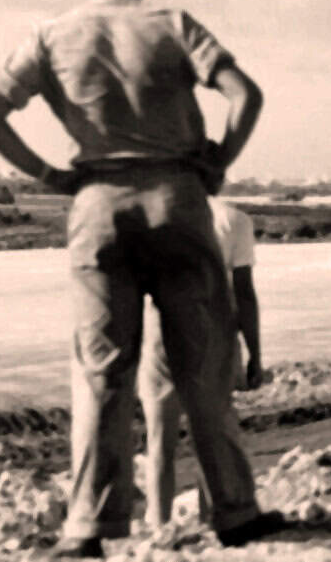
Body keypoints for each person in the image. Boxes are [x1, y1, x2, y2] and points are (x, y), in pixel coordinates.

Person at [0, 0, 281, 557]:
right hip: (178, 201)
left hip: (98, 207)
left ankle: (89, 530)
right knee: (205, 367)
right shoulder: (172, 22)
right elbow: (246, 95)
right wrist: (219, 161)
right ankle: (236, 514)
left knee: (101, 376)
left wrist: (52, 176)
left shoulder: (52, 34)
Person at [138, 197, 263, 526]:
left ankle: (159, 528)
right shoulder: (233, 220)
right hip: (211, 334)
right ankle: (212, 523)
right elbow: (244, 292)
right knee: (212, 438)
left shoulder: (151, 215)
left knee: (159, 439)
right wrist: (255, 354)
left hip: (160, 331)